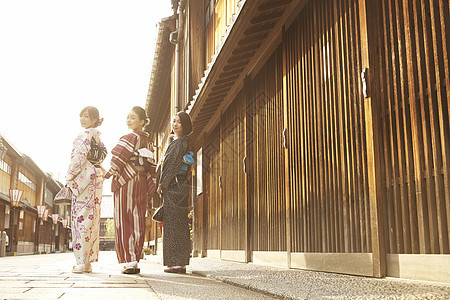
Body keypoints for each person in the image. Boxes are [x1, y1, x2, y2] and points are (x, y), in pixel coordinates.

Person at [104, 106, 156, 274]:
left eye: (132, 117)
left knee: (124, 219)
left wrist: (108, 173)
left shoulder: (130, 137)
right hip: (141, 180)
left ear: (142, 121)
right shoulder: (148, 141)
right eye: (127, 117)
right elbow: (151, 164)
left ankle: (130, 261)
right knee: (137, 218)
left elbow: (118, 158)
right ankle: (135, 259)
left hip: (127, 180)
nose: (129, 120)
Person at [65, 106, 106, 273]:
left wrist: (69, 176)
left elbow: (78, 158)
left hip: (84, 181)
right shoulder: (97, 137)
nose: (83, 119)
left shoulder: (84, 136)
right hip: (95, 178)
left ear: (95, 119)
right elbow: (100, 157)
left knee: (80, 220)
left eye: (87, 117)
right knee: (92, 221)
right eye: (81, 116)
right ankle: (88, 262)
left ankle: (81, 262)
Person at [157, 111, 193, 274]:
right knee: (178, 223)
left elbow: (171, 165)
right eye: (174, 121)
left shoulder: (180, 142)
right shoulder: (179, 141)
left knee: (173, 224)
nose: (175, 124)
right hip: (179, 185)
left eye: (179, 121)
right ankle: (180, 262)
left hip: (174, 185)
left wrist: (162, 184)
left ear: (185, 125)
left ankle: (176, 263)